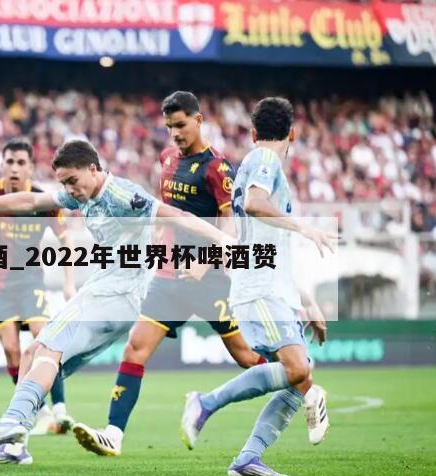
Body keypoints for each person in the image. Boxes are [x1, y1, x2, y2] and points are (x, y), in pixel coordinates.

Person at [0, 139, 234, 461]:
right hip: (108, 294)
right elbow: (30, 200)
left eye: (72, 181)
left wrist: (223, 239)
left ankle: (13, 422)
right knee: (32, 353)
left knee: (48, 349)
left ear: (92, 169)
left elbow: (176, 215)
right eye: (64, 183)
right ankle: (15, 446)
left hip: (115, 295)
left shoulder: (123, 196)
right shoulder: (83, 193)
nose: (69, 189)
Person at [72, 91, 329, 456]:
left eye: (180, 125)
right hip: (170, 277)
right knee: (135, 347)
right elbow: (169, 211)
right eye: (169, 127)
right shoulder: (167, 159)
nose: (175, 133)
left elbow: (230, 226)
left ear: (198, 120)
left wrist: (206, 260)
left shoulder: (218, 169)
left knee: (247, 356)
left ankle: (306, 387)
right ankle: (113, 433)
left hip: (213, 281)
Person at [180, 97, 336, 476]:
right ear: (292, 134)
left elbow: (266, 247)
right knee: (298, 369)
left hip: (270, 286)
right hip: (260, 288)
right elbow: (254, 203)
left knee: (300, 377)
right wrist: (303, 226)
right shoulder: (265, 160)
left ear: (253, 132)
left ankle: (248, 458)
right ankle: (204, 403)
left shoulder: (254, 165)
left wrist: (308, 302)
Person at [0, 138, 76, 465]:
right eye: (10, 161)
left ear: (31, 167)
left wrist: (68, 281)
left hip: (30, 280)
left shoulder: (44, 200)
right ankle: (33, 409)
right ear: (1, 164)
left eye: (21, 162)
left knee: (43, 339)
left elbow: (66, 240)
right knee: (11, 350)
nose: (15, 168)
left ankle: (60, 411)